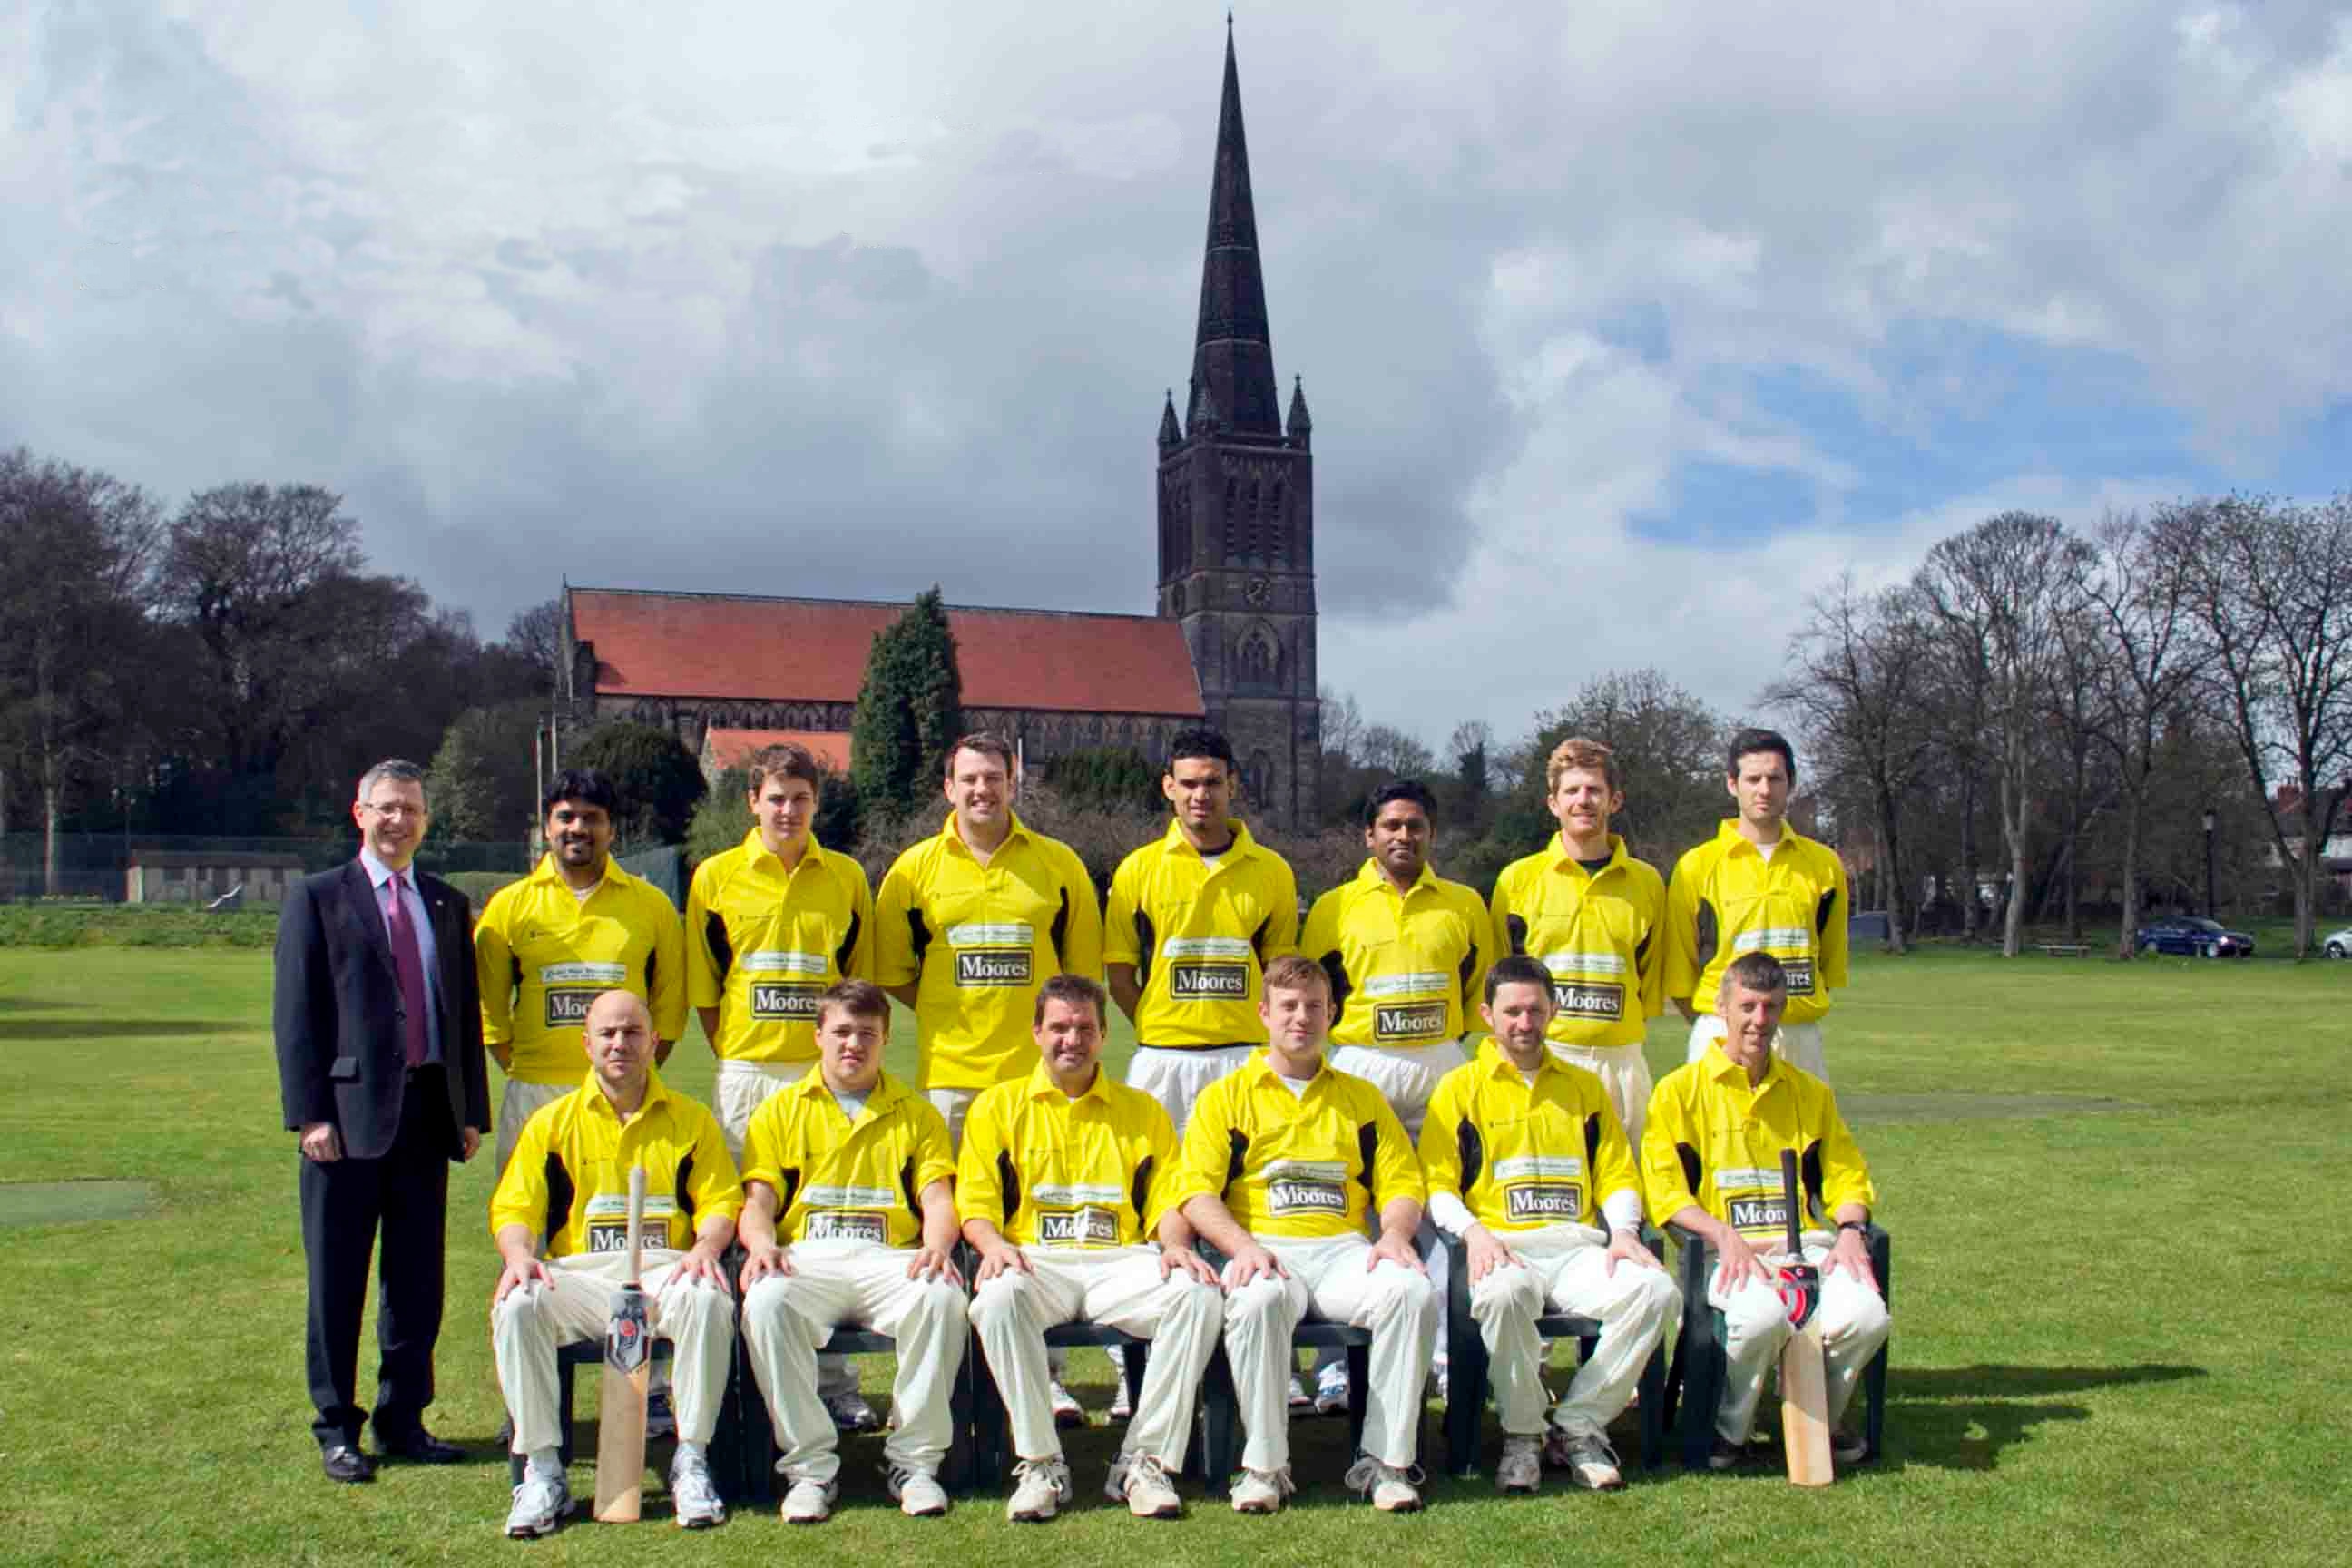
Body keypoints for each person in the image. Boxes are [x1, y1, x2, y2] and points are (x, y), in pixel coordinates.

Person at [875, 730, 1105, 1423]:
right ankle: (942, 1379)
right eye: (969, 779)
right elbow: (897, 976)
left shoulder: (1058, 866)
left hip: (1036, 1081)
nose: (982, 790)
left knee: (1033, 1225)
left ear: (1015, 782)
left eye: (995, 778)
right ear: (948, 787)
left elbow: (1077, 978)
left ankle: (1048, 1375)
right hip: (948, 1077)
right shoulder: (912, 872)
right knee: (938, 1230)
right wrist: (956, 1015)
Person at [273, 759, 490, 1485]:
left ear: (427, 821)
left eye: (413, 810)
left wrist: (470, 1111)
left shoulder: (445, 902)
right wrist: (309, 1114)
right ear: (359, 812)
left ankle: (405, 1418)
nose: (400, 821)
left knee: (416, 1283)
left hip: (427, 1118)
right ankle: (337, 1426)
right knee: (337, 1282)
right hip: (344, 1121)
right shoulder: (318, 898)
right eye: (387, 807)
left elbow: (461, 1013)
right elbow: (296, 1015)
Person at [1167, 956, 1437, 1514]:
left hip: (1343, 1251)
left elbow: (1403, 1182)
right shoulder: (1226, 1096)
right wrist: (1241, 1247)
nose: (1302, 1018)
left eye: (1314, 1006)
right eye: (1289, 1006)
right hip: (1265, 1246)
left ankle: (1385, 1463)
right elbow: (1195, 1192)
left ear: (1331, 1013)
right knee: (1260, 1299)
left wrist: (1394, 1233)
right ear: (1264, 1013)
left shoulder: (1361, 1097)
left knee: (1410, 1291)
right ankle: (1265, 1468)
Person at [960, 975, 1225, 1522]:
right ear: (1036, 1032)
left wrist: (1174, 1244)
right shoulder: (996, 1106)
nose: (1071, 1039)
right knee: (995, 1298)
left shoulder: (1142, 1109)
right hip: (1036, 1259)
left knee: (1197, 1296)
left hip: (1120, 1263)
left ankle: (1143, 1463)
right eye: (1058, 1027)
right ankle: (1041, 1463)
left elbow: (1168, 1196)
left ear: (1104, 1034)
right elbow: (977, 1202)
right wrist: (990, 1243)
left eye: (1084, 1028)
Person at [1420, 956, 1681, 1494]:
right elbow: (1438, 1186)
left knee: (1656, 1290)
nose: (1524, 1022)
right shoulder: (1458, 1089)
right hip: (1503, 1247)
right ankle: (1522, 1435)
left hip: (1578, 1248)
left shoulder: (1585, 1089)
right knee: (1504, 1295)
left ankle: (1578, 1425)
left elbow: (1617, 1176)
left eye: (1535, 1010)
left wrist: (1626, 1233)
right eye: (1511, 1011)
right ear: (1486, 1014)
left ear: (1553, 1011)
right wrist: (1473, 1233)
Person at [487, 991, 741, 1536]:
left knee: (707, 1297)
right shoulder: (551, 1124)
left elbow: (721, 1200)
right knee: (518, 1304)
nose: (619, 1043)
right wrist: (518, 1255)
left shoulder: (690, 1120)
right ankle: (543, 1472)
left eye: (631, 1032)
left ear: (654, 1041)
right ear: (587, 1044)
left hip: (664, 1269)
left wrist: (706, 1247)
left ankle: (690, 1461)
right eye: (607, 1034)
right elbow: (515, 1206)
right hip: (581, 1275)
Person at [686, 740, 878, 1427]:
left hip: (824, 1077)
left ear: (816, 803)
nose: (788, 811)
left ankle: (834, 1382)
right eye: (776, 798)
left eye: (800, 799)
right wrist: (742, 1052)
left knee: (821, 1223)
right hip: (748, 1074)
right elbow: (706, 986)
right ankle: (746, 1380)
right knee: (749, 1227)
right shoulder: (714, 876)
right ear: (752, 802)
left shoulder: (847, 877)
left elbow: (856, 983)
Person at [1640, 952, 1888, 1469]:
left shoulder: (1809, 1092)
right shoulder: (1678, 1092)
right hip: (1723, 1251)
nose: (1759, 1020)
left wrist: (1849, 1229)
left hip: (1805, 1248)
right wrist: (1719, 1233)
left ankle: (1822, 1419)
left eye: (1770, 1007)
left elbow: (1845, 1173)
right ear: (1721, 1007)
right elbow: (1664, 1192)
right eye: (1747, 1006)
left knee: (1866, 1317)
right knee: (1759, 1319)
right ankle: (1731, 1430)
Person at [736, 981, 969, 1524]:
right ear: (818, 1036)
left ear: (886, 1039)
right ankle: (810, 1469)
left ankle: (913, 1464)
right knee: (767, 1301)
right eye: (841, 1032)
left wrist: (937, 1247)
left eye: (867, 1033)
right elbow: (758, 1199)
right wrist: (764, 1244)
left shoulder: (916, 1113)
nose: (853, 1045)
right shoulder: (778, 1110)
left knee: (942, 1297)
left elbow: (938, 1198)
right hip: (807, 1257)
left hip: (888, 1258)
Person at [1298, 778, 1489, 1413]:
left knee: (1442, 1208)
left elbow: (1474, 994)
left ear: (1432, 835)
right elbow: (1318, 992)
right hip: (1362, 1069)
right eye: (1391, 826)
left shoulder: (1464, 904)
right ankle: (1336, 1365)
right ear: (1369, 835)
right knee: (1349, 1209)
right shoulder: (1334, 907)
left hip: (1438, 1067)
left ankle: (1439, 1355)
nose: (1403, 837)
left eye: (1415, 826)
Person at [475, 769, 687, 1173]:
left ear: (611, 830)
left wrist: (629, 1073)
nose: (578, 828)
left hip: (623, 1095)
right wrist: (530, 1070)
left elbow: (670, 1009)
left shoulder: (653, 906)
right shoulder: (507, 907)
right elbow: (491, 1013)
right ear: (547, 827)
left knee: (616, 1223)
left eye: (592, 818)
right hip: (535, 1093)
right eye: (566, 817)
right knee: (529, 1225)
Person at [1105, 726, 1300, 1137]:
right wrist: (1152, 1022)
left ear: (1232, 785)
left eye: (1212, 782)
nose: (1201, 795)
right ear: (1168, 787)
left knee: (1246, 1191)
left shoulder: (1273, 871)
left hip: (1246, 1055)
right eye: (1189, 783)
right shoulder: (1136, 870)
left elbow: (1280, 972)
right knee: (1156, 1187)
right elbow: (1120, 974)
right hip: (1162, 1058)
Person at [1489, 736, 1668, 1144]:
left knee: (1629, 1199)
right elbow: (1502, 978)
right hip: (1546, 1058)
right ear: (1553, 802)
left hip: (1621, 1062)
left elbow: (1649, 979)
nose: (1583, 800)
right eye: (1571, 790)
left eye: (1594, 790)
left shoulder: (1647, 882)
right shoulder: (1517, 881)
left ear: (1615, 800)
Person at [1664, 729, 1849, 1080]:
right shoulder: (1696, 866)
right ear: (1732, 784)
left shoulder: (1825, 865)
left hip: (1799, 1036)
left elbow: (1829, 964)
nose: (1764, 790)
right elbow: (1680, 977)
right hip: (1721, 1034)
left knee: (1805, 1136)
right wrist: (1732, 1022)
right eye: (1753, 779)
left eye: (1775, 778)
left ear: (1790, 784)